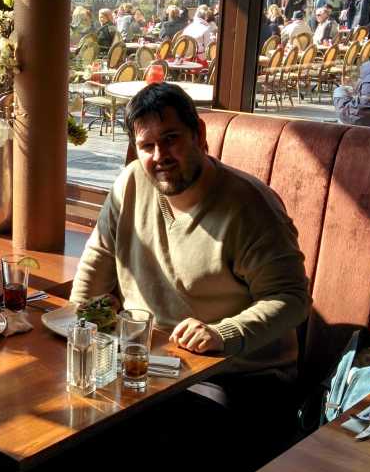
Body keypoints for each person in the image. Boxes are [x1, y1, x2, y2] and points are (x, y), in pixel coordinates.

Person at [70, 82, 310, 375]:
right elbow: (98, 258)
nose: (160, 155)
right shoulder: (129, 183)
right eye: (147, 146)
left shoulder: (252, 207)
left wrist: (222, 334)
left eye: (171, 139)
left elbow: (292, 299)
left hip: (234, 373)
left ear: (199, 134)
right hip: (144, 362)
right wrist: (76, 324)